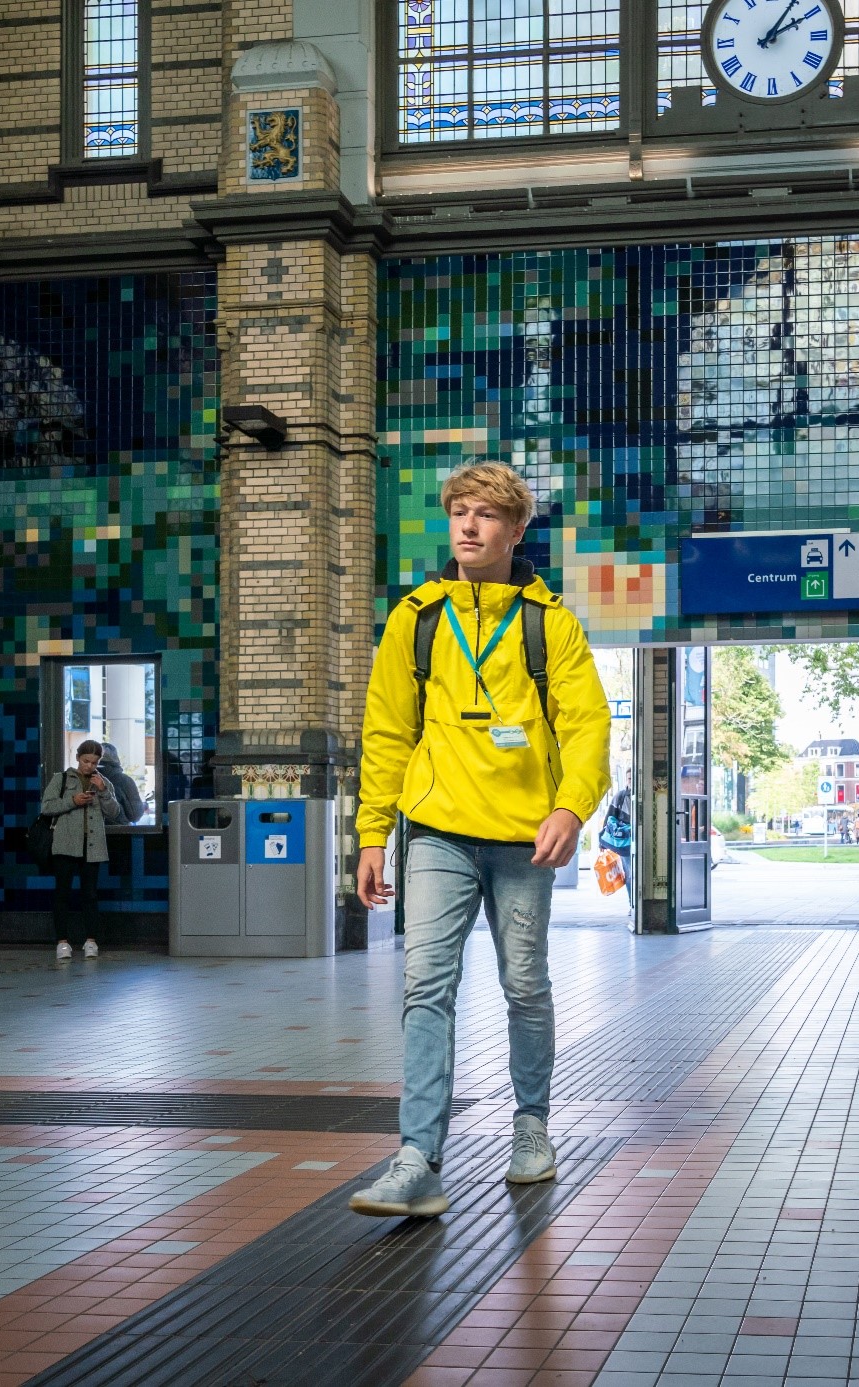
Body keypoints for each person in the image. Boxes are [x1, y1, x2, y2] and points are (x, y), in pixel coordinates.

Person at [349, 462, 611, 1220]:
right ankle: (416, 1157)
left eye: (486, 515)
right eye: (459, 511)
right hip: (435, 829)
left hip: (525, 835)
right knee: (425, 985)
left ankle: (530, 1127)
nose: (468, 525)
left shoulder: (548, 621)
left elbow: (587, 723)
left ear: (515, 529)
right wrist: (373, 834)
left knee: (523, 985)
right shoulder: (417, 617)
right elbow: (387, 730)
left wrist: (570, 806)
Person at [39, 739, 126, 959]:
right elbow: (46, 807)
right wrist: (73, 801)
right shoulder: (61, 779)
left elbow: (114, 812)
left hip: (92, 846)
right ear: (78, 758)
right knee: (62, 893)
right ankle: (62, 942)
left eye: (95, 762)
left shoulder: (103, 782)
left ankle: (91, 941)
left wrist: (104, 791)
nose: (90, 766)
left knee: (90, 894)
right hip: (65, 844)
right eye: (86, 761)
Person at [96, 742, 147, 824]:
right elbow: (135, 815)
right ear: (116, 760)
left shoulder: (82, 778)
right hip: (119, 832)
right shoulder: (124, 781)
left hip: (89, 834)